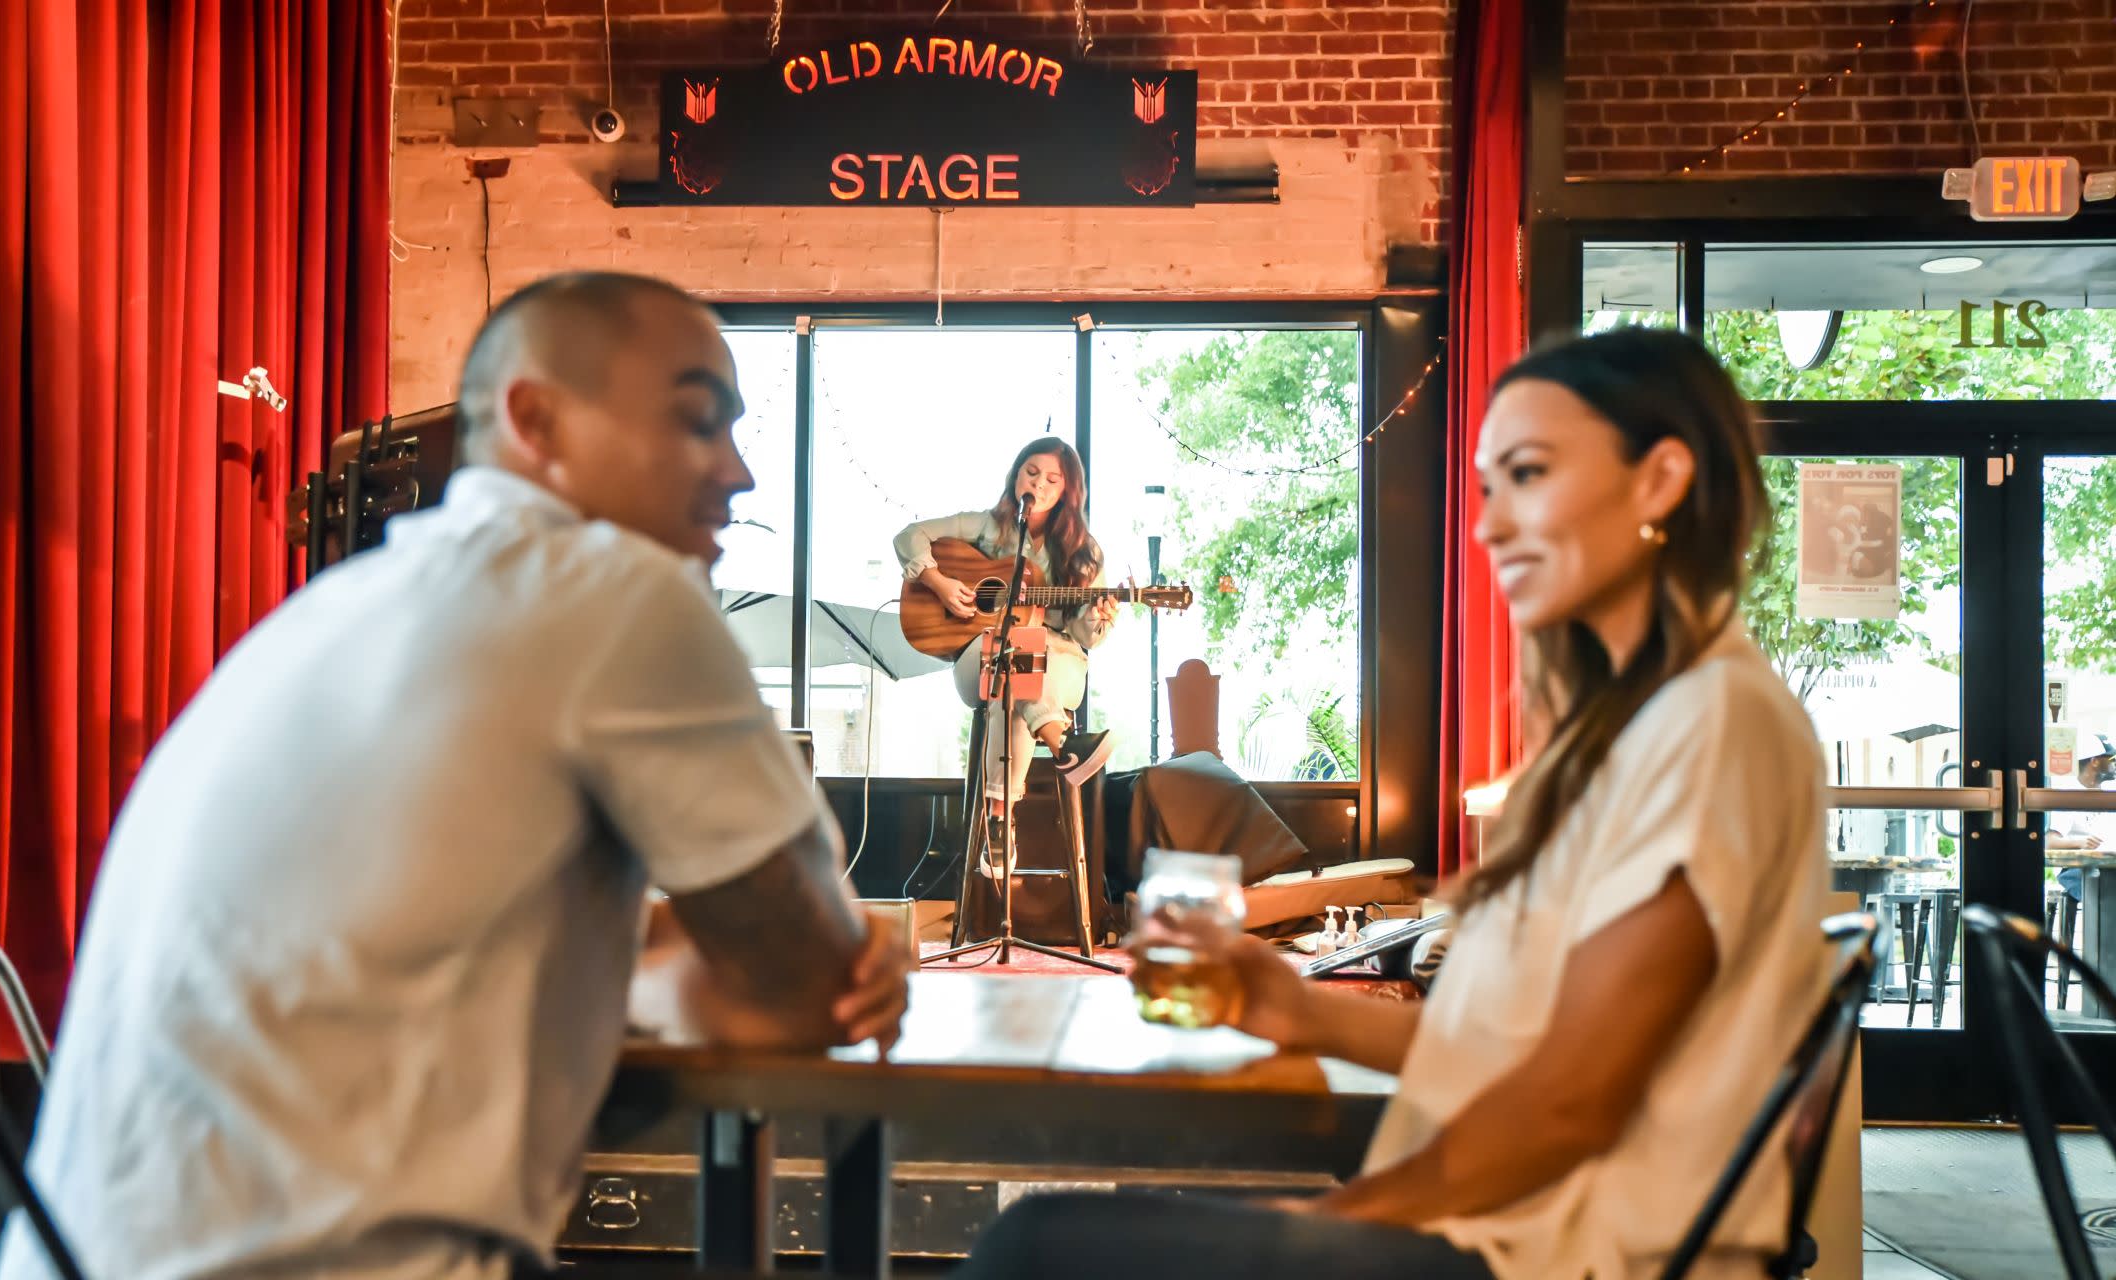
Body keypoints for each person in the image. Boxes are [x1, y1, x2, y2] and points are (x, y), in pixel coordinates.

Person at [0, 272, 910, 1280]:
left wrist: (714, 958)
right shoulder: (613, 587)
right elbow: (816, 982)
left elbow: (475, 939)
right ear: (535, 418)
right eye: (699, 421)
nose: (737, 472)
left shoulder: (344, 607)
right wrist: (799, 943)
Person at [962, 327, 1832, 1280]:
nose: (1490, 526)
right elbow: (1511, 1043)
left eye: (1529, 475)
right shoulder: (1624, 730)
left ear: (1660, 480)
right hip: (1498, 1226)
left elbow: (1568, 1104)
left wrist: (1338, 1216)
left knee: (1038, 1247)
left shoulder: (1714, 724)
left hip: (1561, 1254)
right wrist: (1295, 1005)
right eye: (1489, 488)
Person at [894, 439, 1116, 852]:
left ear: (1068, 491)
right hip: (978, 656)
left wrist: (1094, 616)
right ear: (1016, 474)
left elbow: (1088, 640)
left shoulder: (1085, 552)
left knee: (1014, 687)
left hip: (1059, 664)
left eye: (1053, 479)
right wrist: (938, 583)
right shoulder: (984, 527)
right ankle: (1064, 745)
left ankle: (998, 823)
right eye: (1031, 472)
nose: (1039, 484)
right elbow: (909, 536)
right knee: (1011, 658)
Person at [2049, 730, 2115, 909]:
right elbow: (2049, 841)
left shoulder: (2111, 791)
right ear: (2094, 761)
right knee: (2105, 888)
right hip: (2079, 868)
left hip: (2110, 865)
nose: (2114, 764)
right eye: (2111, 760)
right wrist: (2081, 842)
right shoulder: (2070, 793)